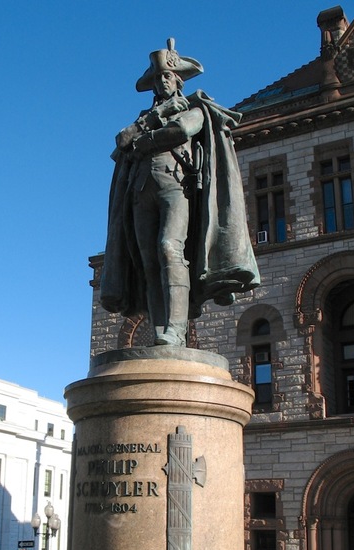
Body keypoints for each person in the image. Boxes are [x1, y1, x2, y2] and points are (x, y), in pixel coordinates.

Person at [100, 39, 260, 347]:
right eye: (158, 78)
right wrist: (152, 120)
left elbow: (182, 131)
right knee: (147, 262)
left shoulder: (196, 108)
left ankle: (176, 328)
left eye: (167, 77)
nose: (162, 82)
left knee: (168, 249)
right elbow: (121, 140)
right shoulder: (144, 119)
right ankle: (160, 328)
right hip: (140, 191)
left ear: (178, 81)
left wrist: (146, 140)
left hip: (176, 187)